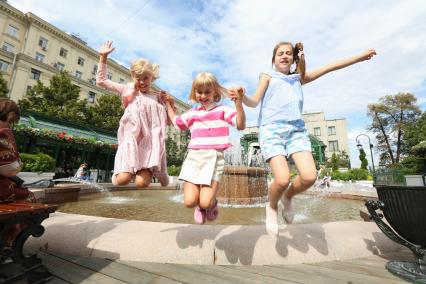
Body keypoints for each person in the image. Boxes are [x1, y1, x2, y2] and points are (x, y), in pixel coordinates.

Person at [230, 42, 376, 236]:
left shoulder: (299, 79)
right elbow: (254, 101)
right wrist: (241, 97)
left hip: (296, 131)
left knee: (309, 176)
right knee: (281, 179)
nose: (284, 56)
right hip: (271, 130)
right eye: (280, 53)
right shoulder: (268, 75)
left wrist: (359, 57)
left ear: (293, 58)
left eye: (288, 53)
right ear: (273, 59)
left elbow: (330, 67)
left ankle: (288, 197)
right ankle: (272, 207)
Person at [162, 72, 245, 224]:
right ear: (195, 92)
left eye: (207, 92)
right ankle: (199, 207)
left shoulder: (223, 110)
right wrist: (169, 104)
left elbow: (240, 125)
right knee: (189, 202)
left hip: (214, 158)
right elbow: (177, 122)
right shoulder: (192, 112)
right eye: (199, 92)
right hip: (194, 158)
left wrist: (238, 104)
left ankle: (210, 204)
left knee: (206, 202)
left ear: (215, 92)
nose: (203, 95)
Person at [96, 40, 169, 187]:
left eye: (146, 78)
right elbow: (101, 81)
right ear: (133, 77)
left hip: (149, 145)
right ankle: (123, 173)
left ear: (152, 78)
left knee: (141, 184)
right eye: (138, 78)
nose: (142, 82)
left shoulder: (157, 97)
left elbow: (167, 121)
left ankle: (158, 174)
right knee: (122, 181)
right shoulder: (128, 89)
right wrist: (103, 58)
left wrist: (170, 105)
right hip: (131, 141)